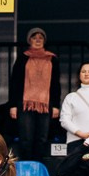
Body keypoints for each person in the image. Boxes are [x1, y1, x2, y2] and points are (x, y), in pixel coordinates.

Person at [7, 28, 63, 164]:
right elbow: (15, 82)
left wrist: (55, 105)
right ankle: (26, 165)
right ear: (29, 40)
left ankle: (38, 166)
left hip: (45, 104)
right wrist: (13, 105)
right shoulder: (23, 58)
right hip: (25, 103)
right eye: (34, 37)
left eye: (41, 38)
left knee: (42, 137)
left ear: (44, 41)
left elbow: (55, 84)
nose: (38, 40)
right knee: (26, 137)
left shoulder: (52, 59)